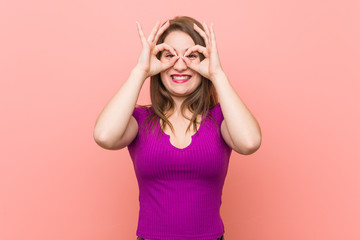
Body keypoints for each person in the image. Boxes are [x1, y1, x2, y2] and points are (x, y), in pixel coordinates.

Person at [94, 16, 261, 240]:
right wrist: (140, 71)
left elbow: (249, 143)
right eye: (170, 55)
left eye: (191, 55)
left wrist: (217, 74)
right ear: (157, 61)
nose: (181, 65)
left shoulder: (221, 118)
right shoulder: (140, 119)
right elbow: (104, 136)